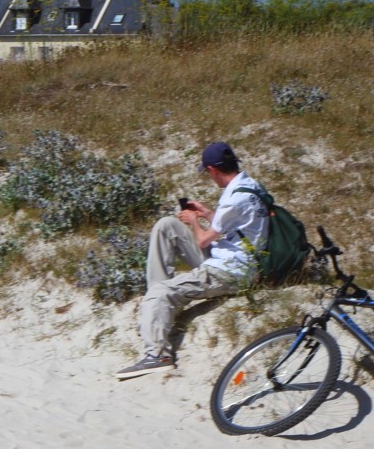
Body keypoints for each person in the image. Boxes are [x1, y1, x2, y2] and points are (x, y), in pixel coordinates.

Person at [116, 142, 270, 379]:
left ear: (212, 170)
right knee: (167, 226)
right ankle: (156, 305)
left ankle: (158, 355)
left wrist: (194, 221)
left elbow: (202, 241)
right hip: (235, 257)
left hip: (231, 270)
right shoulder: (249, 186)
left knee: (161, 293)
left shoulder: (234, 198)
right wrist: (206, 213)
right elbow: (236, 225)